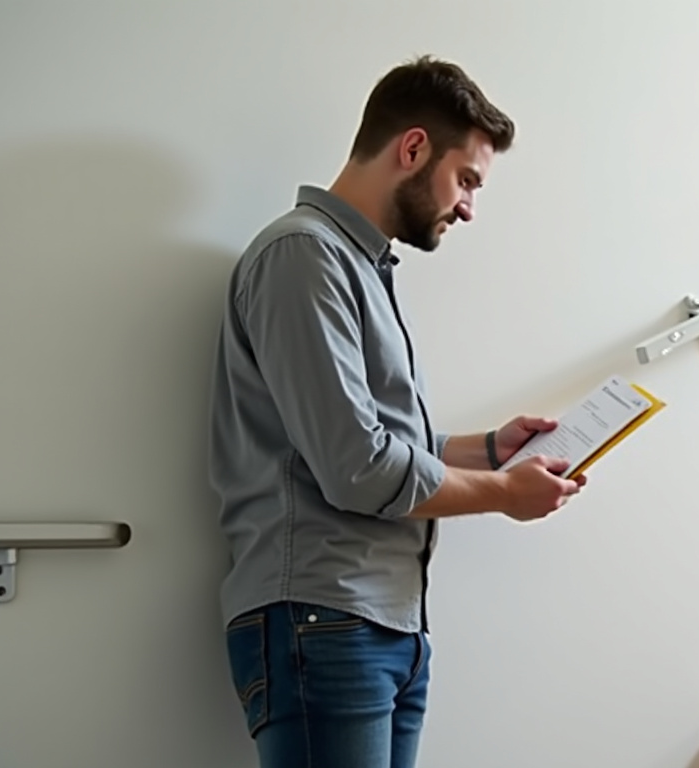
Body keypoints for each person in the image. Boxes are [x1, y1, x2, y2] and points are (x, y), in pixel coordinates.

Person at [207, 55, 584, 768]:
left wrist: (489, 448)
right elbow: (358, 468)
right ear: (412, 149)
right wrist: (505, 494)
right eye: (466, 179)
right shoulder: (303, 256)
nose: (469, 204)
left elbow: (374, 441)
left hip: (379, 623)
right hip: (323, 618)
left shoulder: (354, 266)